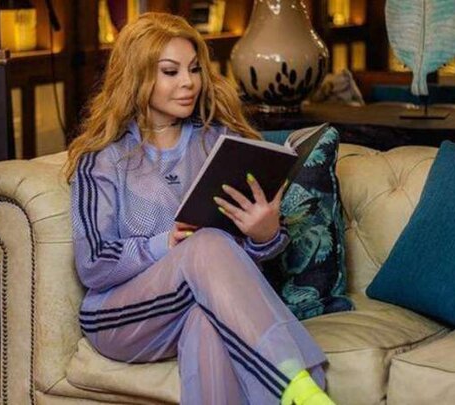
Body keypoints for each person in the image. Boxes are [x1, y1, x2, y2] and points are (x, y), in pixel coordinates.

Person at [65, 12, 335, 405]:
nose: (189, 82)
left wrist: (264, 236)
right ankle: (297, 385)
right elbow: (92, 263)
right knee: (204, 243)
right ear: (136, 76)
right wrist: (166, 244)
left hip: (194, 302)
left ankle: (300, 392)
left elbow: (232, 272)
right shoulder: (102, 160)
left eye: (194, 69)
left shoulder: (219, 142)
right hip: (120, 316)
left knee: (208, 324)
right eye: (170, 71)